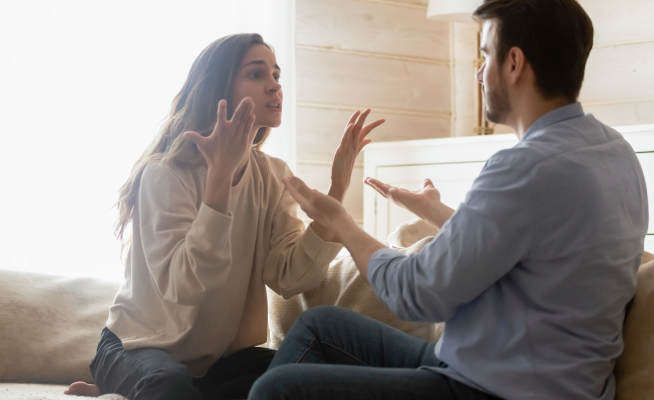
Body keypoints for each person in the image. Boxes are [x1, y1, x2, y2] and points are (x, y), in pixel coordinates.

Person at [249, 0, 649, 399]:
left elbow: (418, 293)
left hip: (494, 390)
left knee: (275, 389)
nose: (478, 71)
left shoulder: (524, 167)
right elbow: (533, 247)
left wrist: (343, 225)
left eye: (485, 54)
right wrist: (438, 212)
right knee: (321, 326)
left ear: (514, 63)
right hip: (524, 373)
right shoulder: (616, 152)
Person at [63, 33, 384, 400]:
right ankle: (129, 383)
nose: (274, 87)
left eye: (277, 76)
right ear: (219, 87)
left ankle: (129, 392)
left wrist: (336, 192)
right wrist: (219, 181)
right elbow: (187, 286)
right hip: (138, 347)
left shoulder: (272, 175)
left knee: (308, 377)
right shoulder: (164, 174)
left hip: (214, 363)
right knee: (169, 385)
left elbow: (289, 276)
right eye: (256, 74)